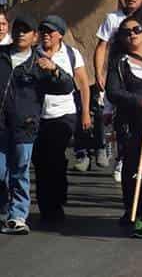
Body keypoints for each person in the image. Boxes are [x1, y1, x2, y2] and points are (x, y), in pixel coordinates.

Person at [0, 15, 74, 235]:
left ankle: (17, 215)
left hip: (25, 126)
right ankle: (6, 206)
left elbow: (67, 86)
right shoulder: (2, 56)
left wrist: (54, 70)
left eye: (26, 30)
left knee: (20, 171)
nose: (21, 33)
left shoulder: (39, 61)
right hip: (1, 127)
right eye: (18, 29)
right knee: (1, 171)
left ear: (34, 37)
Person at [106, 16, 142, 238]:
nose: (132, 34)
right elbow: (114, 92)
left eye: (136, 29)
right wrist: (139, 101)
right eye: (126, 31)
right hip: (131, 127)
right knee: (133, 172)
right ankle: (137, 215)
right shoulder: (120, 63)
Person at [32, 16, 91, 223]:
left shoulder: (71, 54)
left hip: (64, 115)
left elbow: (83, 84)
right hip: (38, 115)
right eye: (43, 30)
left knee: (55, 158)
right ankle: (45, 205)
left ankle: (57, 202)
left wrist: (85, 112)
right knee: (40, 162)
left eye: (51, 31)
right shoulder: (33, 52)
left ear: (60, 34)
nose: (46, 35)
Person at [90, 0, 142, 178]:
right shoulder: (112, 19)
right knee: (113, 116)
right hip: (118, 75)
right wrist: (99, 73)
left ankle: (140, 163)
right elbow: (102, 47)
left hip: (141, 76)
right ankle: (120, 157)